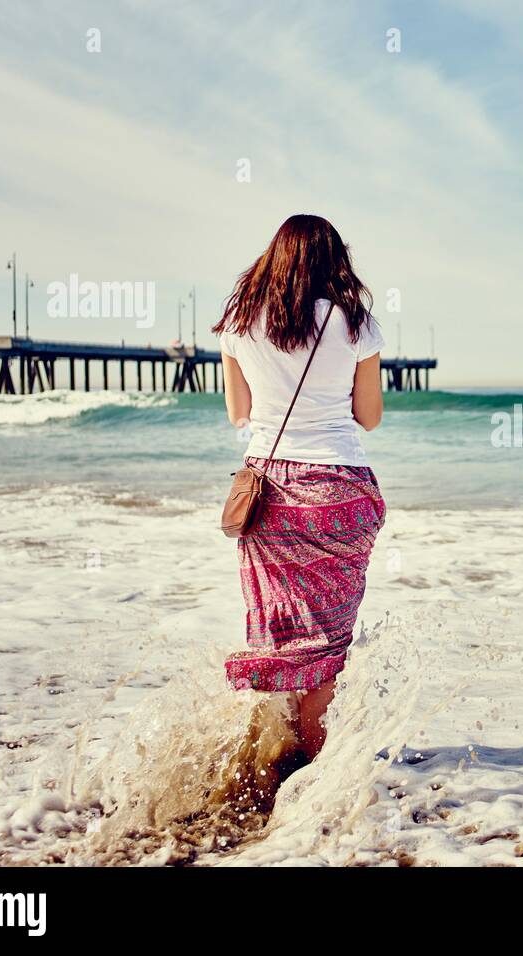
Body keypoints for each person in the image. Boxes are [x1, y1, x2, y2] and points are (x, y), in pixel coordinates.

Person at [213, 214, 386, 759]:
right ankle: (315, 772)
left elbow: (239, 414)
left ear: (275, 257)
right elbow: (370, 418)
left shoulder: (240, 323)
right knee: (328, 644)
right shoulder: (356, 323)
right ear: (335, 260)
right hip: (340, 489)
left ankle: (272, 761)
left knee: (281, 635)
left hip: (271, 495)